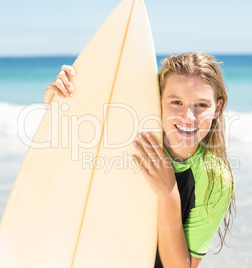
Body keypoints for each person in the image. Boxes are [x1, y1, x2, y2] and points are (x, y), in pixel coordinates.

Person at [44, 52, 235, 268]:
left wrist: (169, 196)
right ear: (158, 99)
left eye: (201, 105)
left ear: (217, 108)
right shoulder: (126, 136)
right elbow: (70, 179)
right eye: (176, 102)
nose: (188, 116)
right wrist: (59, 109)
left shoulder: (214, 178)